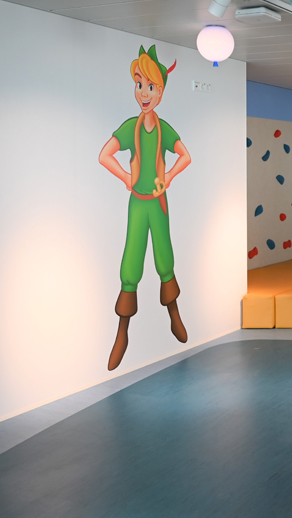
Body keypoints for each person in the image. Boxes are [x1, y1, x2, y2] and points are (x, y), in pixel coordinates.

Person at [99, 45, 192, 371]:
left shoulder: (164, 130)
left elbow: (185, 156)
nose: (144, 93)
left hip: (158, 202)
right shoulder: (131, 127)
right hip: (138, 203)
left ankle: (174, 315)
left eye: (150, 86)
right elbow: (105, 155)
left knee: (165, 257)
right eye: (139, 84)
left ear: (161, 91)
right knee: (131, 261)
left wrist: (168, 176)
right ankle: (122, 333)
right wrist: (127, 177)